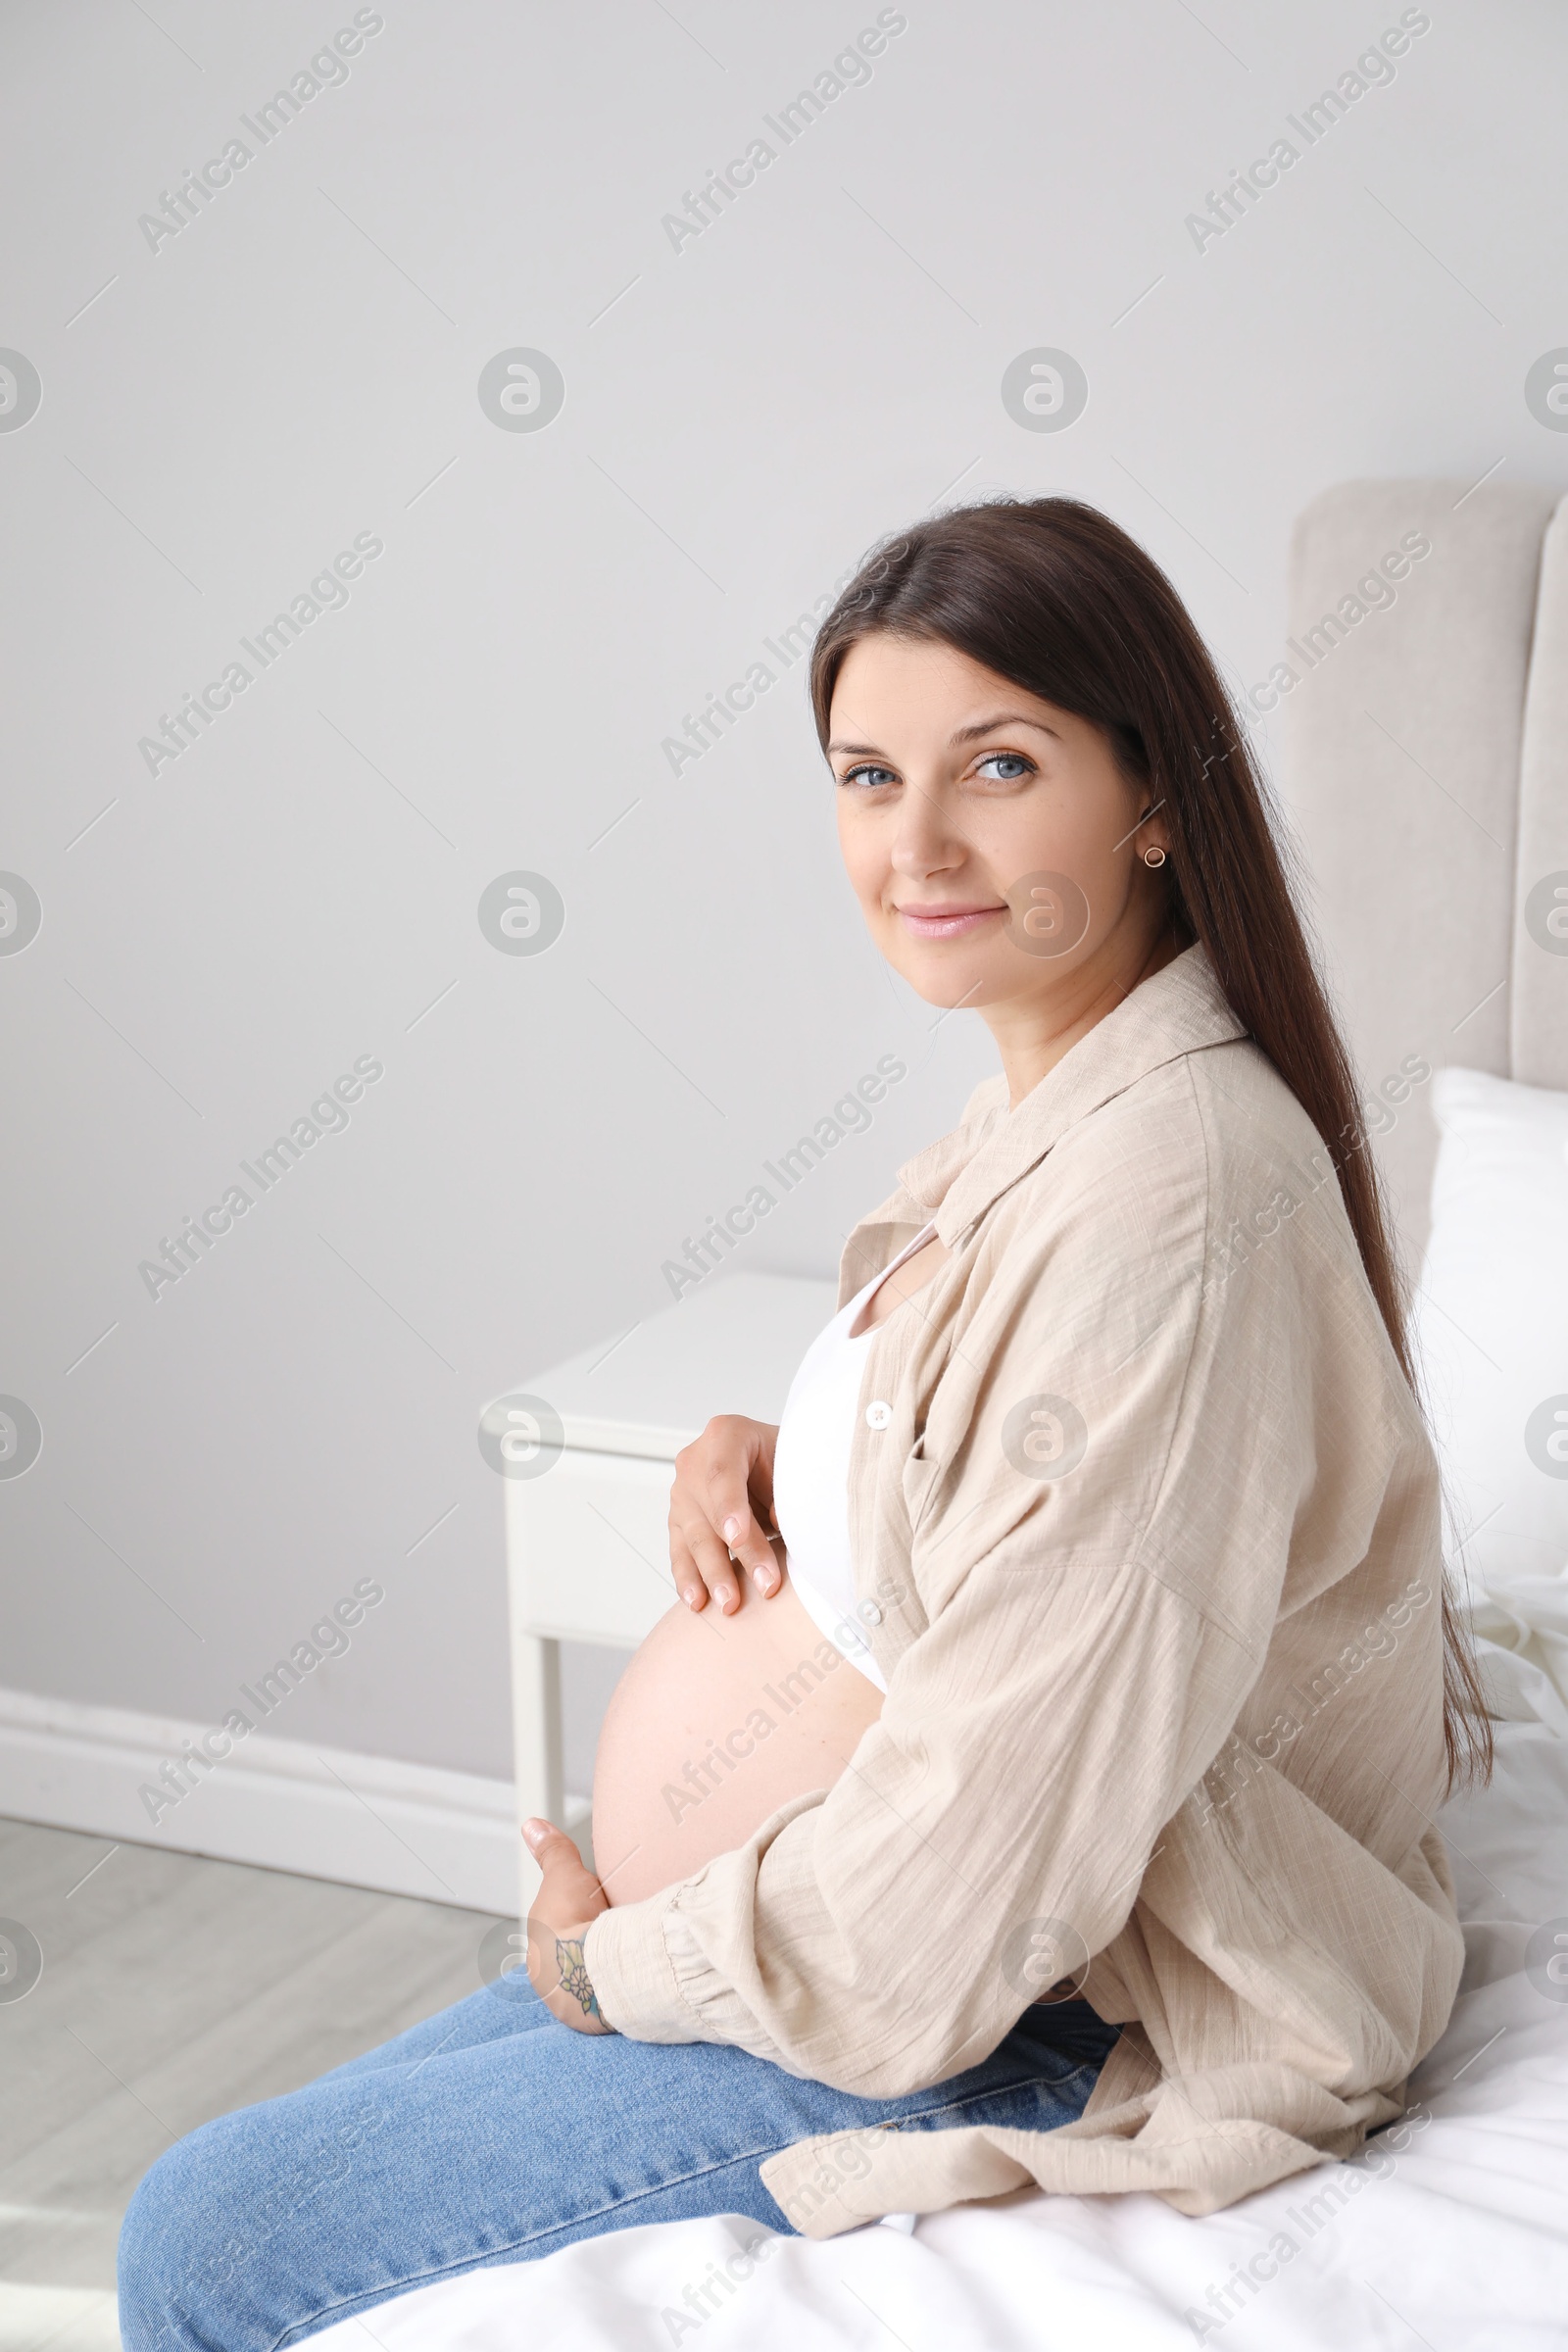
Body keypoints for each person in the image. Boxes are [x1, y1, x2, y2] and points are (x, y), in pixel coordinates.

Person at [119, 498, 1489, 2350]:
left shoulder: (1179, 1194)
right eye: (866, 776)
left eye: (998, 767)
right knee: (262, 2167)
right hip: (839, 1937)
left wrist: (617, 1964)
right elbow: (1016, 1483)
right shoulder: (1056, 1109)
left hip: (1031, 2007)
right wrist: (799, 1460)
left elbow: (983, 1874)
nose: (914, 844)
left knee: (212, 2243)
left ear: (1155, 797)